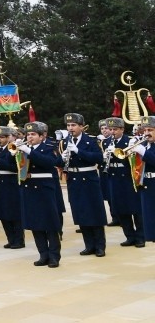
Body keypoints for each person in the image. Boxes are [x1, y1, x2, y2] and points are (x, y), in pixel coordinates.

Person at [15, 121, 63, 267]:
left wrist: (29, 151)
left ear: (42, 136)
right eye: (28, 134)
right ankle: (43, 254)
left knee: (50, 223)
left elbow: (50, 162)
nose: (30, 137)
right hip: (29, 188)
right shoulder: (23, 149)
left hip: (44, 188)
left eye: (33, 134)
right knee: (35, 223)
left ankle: (54, 256)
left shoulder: (49, 147)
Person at [61, 113, 107, 256]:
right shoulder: (64, 142)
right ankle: (89, 245)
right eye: (68, 125)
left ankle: (100, 246)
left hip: (89, 179)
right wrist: (61, 158)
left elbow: (99, 158)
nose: (70, 128)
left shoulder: (90, 141)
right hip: (74, 179)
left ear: (81, 126)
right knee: (81, 212)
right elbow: (59, 164)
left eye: (73, 125)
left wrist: (78, 151)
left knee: (94, 212)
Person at [106, 117, 145, 248]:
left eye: (115, 129)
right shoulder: (106, 142)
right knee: (121, 209)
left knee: (135, 209)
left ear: (122, 129)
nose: (112, 132)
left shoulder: (130, 141)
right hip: (114, 178)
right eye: (110, 129)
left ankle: (140, 237)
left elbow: (133, 163)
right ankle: (129, 236)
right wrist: (105, 157)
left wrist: (116, 154)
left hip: (128, 178)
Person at [0, 127, 25, 249]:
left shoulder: (14, 149)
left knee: (14, 213)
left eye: (2, 137)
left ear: (9, 137)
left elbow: (16, 168)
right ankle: (10, 239)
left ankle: (19, 240)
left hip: (10, 183)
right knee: (2, 213)